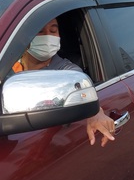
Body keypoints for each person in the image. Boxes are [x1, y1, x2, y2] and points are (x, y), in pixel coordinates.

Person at [13, 17, 116, 147]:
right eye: (40, 31)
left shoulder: (67, 72)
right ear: (24, 38)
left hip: (43, 144)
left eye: (53, 30)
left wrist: (96, 113)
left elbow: (82, 93)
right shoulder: (8, 65)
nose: (48, 37)